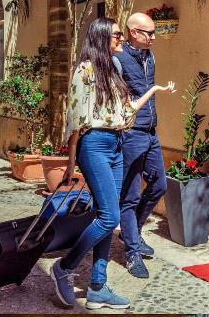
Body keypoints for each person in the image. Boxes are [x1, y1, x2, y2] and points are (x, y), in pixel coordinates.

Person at [51, 17, 175, 310]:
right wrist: (71, 164)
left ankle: (97, 286)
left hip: (117, 144)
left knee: (104, 215)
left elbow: (127, 110)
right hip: (94, 145)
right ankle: (65, 267)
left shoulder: (111, 71)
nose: (121, 39)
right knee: (110, 217)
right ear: (103, 37)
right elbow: (75, 121)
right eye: (117, 35)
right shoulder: (86, 70)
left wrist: (155, 90)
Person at [113, 12, 165, 278]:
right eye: (149, 33)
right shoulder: (118, 60)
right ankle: (132, 252)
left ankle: (132, 231)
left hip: (151, 132)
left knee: (159, 184)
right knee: (130, 195)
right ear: (133, 32)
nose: (153, 37)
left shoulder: (150, 57)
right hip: (131, 133)